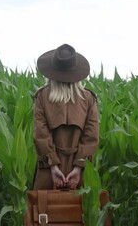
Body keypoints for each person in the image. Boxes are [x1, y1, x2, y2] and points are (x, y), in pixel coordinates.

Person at [32, 43, 99, 190]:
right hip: (80, 170)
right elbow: (91, 136)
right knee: (80, 209)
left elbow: (40, 135)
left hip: (49, 170)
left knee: (46, 209)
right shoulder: (88, 98)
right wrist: (79, 167)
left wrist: (53, 165)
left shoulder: (42, 97)